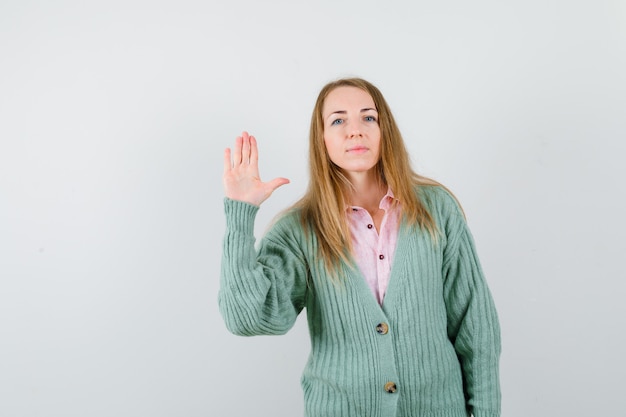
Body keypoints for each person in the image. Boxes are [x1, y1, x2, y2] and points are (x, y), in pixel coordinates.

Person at [219, 77, 501, 417]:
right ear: (321, 139)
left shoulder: (435, 209)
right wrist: (241, 213)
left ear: (385, 131)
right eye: (338, 120)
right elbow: (248, 318)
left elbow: (476, 326)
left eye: (368, 117)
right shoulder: (300, 228)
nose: (356, 130)